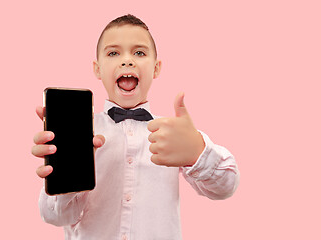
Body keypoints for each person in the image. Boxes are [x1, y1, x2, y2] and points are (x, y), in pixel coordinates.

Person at [32, 14, 239, 240]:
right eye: (113, 53)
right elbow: (54, 217)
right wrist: (66, 177)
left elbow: (226, 187)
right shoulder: (81, 132)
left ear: (156, 68)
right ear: (97, 69)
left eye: (139, 53)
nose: (127, 61)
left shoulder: (172, 133)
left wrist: (198, 152)